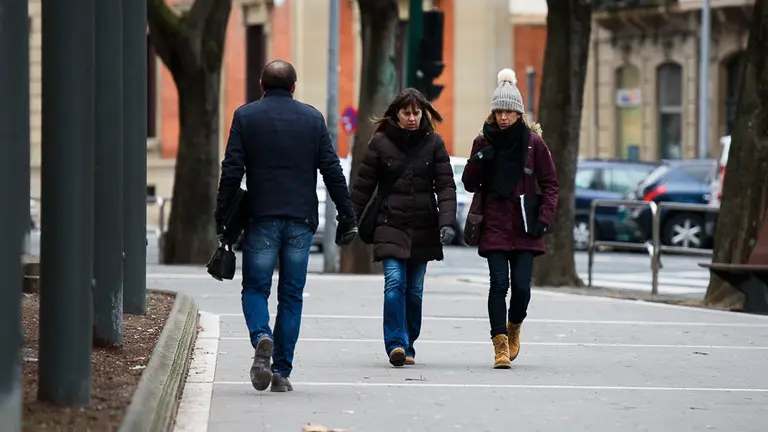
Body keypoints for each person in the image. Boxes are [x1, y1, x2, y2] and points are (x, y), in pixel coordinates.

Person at [215, 60, 358, 392]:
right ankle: (281, 372)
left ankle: (261, 336)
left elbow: (231, 170)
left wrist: (222, 216)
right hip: (300, 220)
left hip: (261, 217)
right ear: (294, 87)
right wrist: (347, 215)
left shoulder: (245, 116)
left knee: (255, 288)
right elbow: (332, 171)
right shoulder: (312, 119)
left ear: (261, 85)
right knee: (291, 296)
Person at [350, 88, 457, 367]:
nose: (411, 118)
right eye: (406, 113)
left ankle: (409, 342)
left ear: (423, 114)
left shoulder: (434, 144)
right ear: (396, 114)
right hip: (390, 224)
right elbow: (363, 186)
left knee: (415, 291)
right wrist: (349, 219)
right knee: (395, 283)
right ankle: (396, 343)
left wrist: (447, 222)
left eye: (416, 113)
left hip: (424, 227)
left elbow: (446, 186)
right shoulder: (381, 143)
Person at [461, 68, 559, 369]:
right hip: (494, 223)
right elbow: (469, 183)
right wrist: (479, 159)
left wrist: (544, 217)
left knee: (522, 288)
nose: (503, 117)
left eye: (509, 112)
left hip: (526, 226)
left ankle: (514, 326)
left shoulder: (533, 143)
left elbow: (551, 184)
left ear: (519, 113)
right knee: (498, 284)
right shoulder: (483, 142)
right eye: (499, 111)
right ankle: (500, 345)